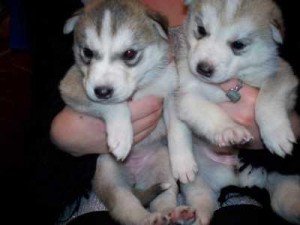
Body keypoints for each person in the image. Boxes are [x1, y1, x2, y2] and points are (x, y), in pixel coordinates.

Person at [26, 0, 299, 224]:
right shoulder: (65, 17)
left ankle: (168, 207)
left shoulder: (260, 19)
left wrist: (276, 121)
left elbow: (177, 108)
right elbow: (44, 115)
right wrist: (64, 133)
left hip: (217, 177)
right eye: (201, 31)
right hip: (88, 189)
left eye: (130, 54)